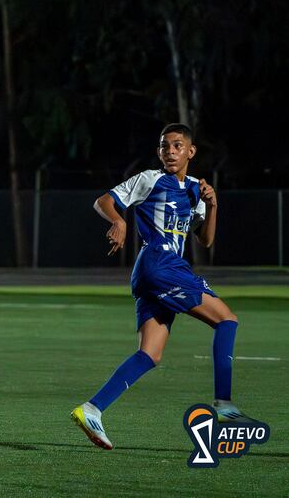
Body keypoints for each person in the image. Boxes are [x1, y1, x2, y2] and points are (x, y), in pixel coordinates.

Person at [71, 123, 255, 450]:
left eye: (177, 146)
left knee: (150, 354)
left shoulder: (197, 189)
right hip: (160, 263)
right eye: (164, 146)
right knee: (227, 320)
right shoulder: (150, 179)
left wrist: (213, 206)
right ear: (159, 151)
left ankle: (92, 409)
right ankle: (224, 406)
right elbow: (103, 201)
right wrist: (119, 220)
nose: (170, 152)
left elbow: (206, 239)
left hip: (157, 272)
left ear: (190, 152)